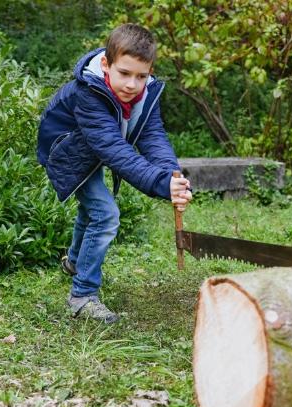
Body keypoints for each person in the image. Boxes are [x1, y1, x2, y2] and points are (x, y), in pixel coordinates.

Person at [36, 24, 192, 324]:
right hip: (67, 152)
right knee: (105, 213)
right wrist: (159, 185)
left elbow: (153, 137)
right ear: (106, 64)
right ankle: (82, 295)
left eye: (141, 76)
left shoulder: (145, 94)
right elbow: (113, 150)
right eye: (124, 73)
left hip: (94, 147)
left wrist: (172, 176)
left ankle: (74, 262)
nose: (133, 84)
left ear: (150, 71)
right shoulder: (88, 92)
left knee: (93, 209)